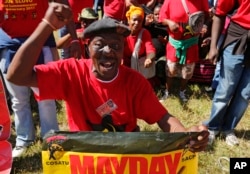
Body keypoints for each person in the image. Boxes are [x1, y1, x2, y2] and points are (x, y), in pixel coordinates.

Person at [6, 2, 209, 153]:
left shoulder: (134, 82)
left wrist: (186, 136)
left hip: (126, 157)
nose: (108, 51)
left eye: (116, 46)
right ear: (87, 46)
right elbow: (17, 75)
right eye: (99, 44)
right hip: (84, 157)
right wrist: (46, 25)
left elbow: (163, 118)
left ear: (123, 50)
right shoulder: (71, 72)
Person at [0, 0, 62, 158]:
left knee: (46, 97)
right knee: (18, 100)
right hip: (9, 49)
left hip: (41, 46)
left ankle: (51, 138)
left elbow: (57, 11)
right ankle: (24, 139)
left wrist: (54, 49)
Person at [204, 0, 250, 146]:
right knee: (226, 88)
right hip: (238, 37)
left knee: (245, 94)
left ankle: (228, 128)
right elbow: (219, 13)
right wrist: (213, 47)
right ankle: (213, 127)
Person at [158, 0, 209, 102]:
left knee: (187, 71)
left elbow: (206, 16)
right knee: (170, 70)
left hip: (192, 43)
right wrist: (169, 22)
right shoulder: (170, 1)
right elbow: (161, 18)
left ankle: (182, 90)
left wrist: (203, 26)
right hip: (174, 44)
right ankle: (167, 91)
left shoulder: (202, 1)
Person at [123, 5, 157, 88]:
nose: (137, 23)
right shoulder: (123, 33)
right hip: (126, 64)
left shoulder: (144, 33)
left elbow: (150, 49)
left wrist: (149, 59)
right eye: (134, 20)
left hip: (141, 65)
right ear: (128, 20)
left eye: (140, 21)